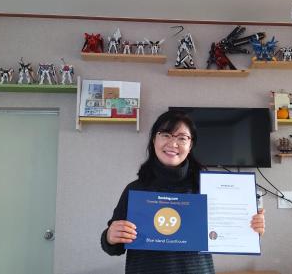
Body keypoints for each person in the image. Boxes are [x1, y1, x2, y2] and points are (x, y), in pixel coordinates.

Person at [101, 110, 266, 274]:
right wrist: (110, 236)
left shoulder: (206, 188)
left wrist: (250, 228)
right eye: (166, 135)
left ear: (190, 145)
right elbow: (114, 248)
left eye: (182, 138)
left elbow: (229, 233)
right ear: (153, 140)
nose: (173, 144)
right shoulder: (135, 189)